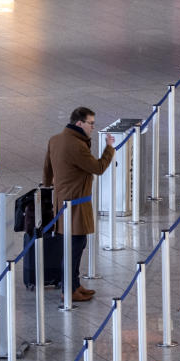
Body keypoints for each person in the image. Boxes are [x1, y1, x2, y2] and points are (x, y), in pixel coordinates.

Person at [42, 107, 115, 302]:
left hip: (62, 202)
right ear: (79, 123)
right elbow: (98, 168)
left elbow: (47, 171)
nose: (92, 127)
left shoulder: (55, 139)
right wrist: (109, 148)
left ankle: (74, 285)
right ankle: (69, 289)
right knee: (75, 246)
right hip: (75, 204)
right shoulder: (76, 145)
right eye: (90, 123)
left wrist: (50, 189)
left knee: (76, 244)